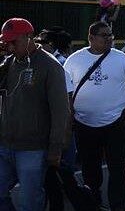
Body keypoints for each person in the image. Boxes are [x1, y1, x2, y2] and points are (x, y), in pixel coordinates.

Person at [64, 21, 125, 211]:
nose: (109, 39)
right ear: (91, 38)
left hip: (116, 123)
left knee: (117, 168)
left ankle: (118, 206)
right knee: (90, 170)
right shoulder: (74, 60)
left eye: (110, 35)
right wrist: (70, 116)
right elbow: (66, 92)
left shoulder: (121, 58)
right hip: (84, 124)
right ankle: (93, 204)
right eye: (104, 35)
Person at [0, 18, 70, 211]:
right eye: (6, 42)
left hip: (32, 148)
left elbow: (60, 110)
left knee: (29, 202)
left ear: (29, 37)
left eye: (13, 42)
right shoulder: (10, 62)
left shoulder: (49, 65)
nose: (10, 46)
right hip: (5, 144)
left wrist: (55, 147)